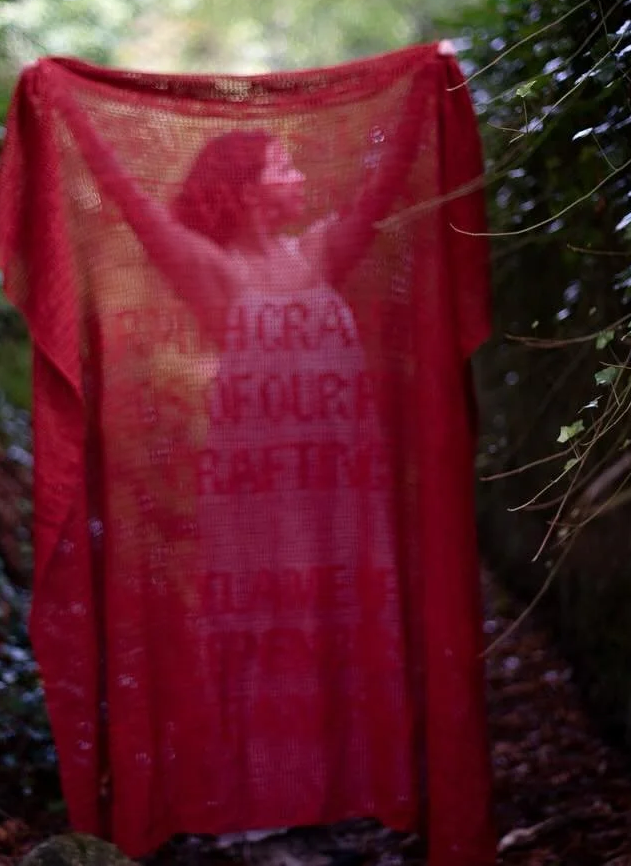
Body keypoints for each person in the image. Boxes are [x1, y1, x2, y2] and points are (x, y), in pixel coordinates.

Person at [49, 57, 440, 838]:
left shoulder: (320, 253)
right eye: (282, 164)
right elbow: (132, 209)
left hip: (334, 483)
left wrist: (427, 90)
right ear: (250, 189)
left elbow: (386, 185)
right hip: (254, 489)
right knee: (258, 629)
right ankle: (256, 807)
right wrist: (75, 117)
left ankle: (340, 797)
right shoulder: (212, 271)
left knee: (336, 621)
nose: (298, 175)